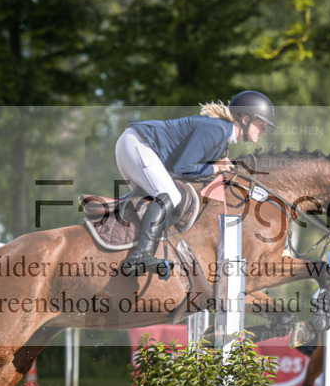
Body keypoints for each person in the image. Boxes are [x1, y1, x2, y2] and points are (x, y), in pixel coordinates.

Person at [116, 90, 275, 273]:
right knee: (171, 196)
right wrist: (216, 167)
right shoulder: (217, 129)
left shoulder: (222, 134)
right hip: (138, 144)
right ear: (245, 120)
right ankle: (140, 256)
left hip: (133, 145)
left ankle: (127, 250)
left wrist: (216, 167)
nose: (263, 131)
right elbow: (182, 168)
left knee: (152, 205)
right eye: (261, 125)